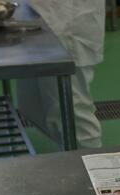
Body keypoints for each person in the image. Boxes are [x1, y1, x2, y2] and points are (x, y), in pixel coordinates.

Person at [17, 0, 105, 148]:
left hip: (66, 21)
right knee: (32, 107)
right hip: (39, 17)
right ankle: (71, 151)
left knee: (73, 117)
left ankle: (88, 157)